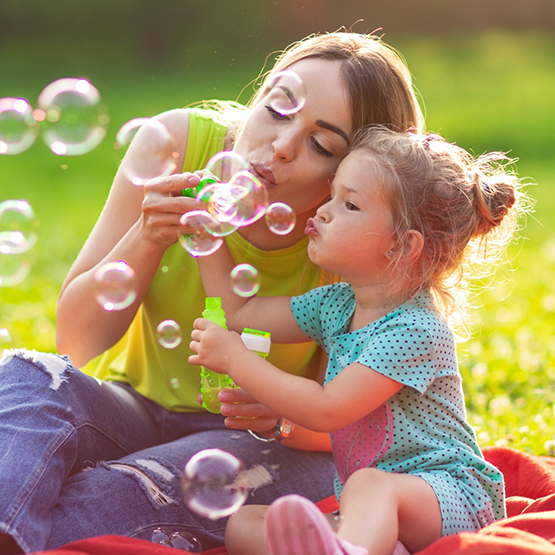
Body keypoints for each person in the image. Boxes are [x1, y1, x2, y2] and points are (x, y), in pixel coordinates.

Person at [0, 32, 424, 554]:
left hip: (265, 444)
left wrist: (281, 419)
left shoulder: (354, 235)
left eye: (321, 145)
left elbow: (351, 430)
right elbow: (76, 341)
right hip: (134, 408)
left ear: (356, 171)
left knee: (138, 483)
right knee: (28, 375)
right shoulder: (175, 144)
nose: (282, 144)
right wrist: (147, 235)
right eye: (277, 107)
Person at [189, 126, 529, 555]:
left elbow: (327, 408)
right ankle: (362, 546)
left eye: (349, 204)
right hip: (369, 505)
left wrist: (236, 359)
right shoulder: (336, 304)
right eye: (331, 195)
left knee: (369, 484)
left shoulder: (416, 329)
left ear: (403, 246)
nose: (324, 211)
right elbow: (241, 311)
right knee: (244, 523)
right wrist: (206, 235)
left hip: (451, 496)